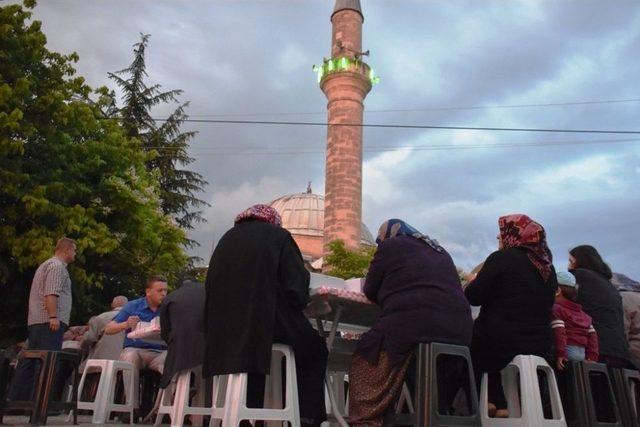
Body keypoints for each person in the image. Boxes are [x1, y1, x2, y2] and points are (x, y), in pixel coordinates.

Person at [203, 204, 327, 427]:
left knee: (257, 355)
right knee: (315, 348)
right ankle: (306, 417)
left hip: (224, 332)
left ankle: (250, 416)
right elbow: (296, 289)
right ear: (273, 221)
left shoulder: (226, 240)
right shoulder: (278, 237)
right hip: (265, 324)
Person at [348, 219, 473, 426]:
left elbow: (370, 289)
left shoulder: (390, 246)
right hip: (460, 333)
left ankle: (366, 419)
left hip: (416, 325)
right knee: (411, 363)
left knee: (366, 354)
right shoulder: (440, 251)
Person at [465, 214, 557, 417]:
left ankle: (487, 401)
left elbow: (473, 296)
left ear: (515, 235)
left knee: (470, 349)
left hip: (500, 341)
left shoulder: (502, 259)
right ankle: (500, 402)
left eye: (501, 234)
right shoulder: (549, 269)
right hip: (540, 345)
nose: (498, 238)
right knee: (492, 341)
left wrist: (472, 281)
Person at [9, 237, 77, 401]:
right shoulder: (57, 267)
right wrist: (53, 316)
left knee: (30, 360)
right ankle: (40, 403)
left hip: (38, 321)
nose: (75, 254)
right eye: (74, 250)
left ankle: (19, 401)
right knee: (46, 362)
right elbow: (51, 293)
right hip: (49, 322)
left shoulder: (46, 265)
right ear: (66, 249)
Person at [569, 245, 634, 368]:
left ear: (577, 261)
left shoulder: (579, 276)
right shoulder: (610, 286)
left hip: (596, 349)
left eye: (570, 261)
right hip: (620, 352)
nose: (568, 266)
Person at [104, 276, 168, 389]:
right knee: (130, 357)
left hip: (158, 352)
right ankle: (132, 404)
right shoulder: (133, 306)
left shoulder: (168, 308)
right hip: (135, 350)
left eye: (165, 290)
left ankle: (167, 401)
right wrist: (126, 324)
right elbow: (108, 329)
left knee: (173, 358)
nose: (163, 294)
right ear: (148, 291)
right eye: (160, 290)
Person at [158, 278, 206, 423]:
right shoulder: (211, 292)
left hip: (180, 350)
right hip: (207, 350)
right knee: (200, 371)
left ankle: (172, 405)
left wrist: (172, 343)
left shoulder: (171, 297)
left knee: (172, 362)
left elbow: (165, 330)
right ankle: (200, 416)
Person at [550, 271, 598, 370]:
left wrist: (560, 353)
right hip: (582, 354)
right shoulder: (583, 314)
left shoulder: (557, 309)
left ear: (557, 291)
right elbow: (593, 335)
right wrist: (592, 356)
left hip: (567, 350)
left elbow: (559, 331)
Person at [80, 296, 128, 364]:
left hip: (99, 361)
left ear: (112, 305)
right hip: (125, 363)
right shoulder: (133, 319)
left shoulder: (100, 317)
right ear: (127, 305)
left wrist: (82, 345)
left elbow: (89, 339)